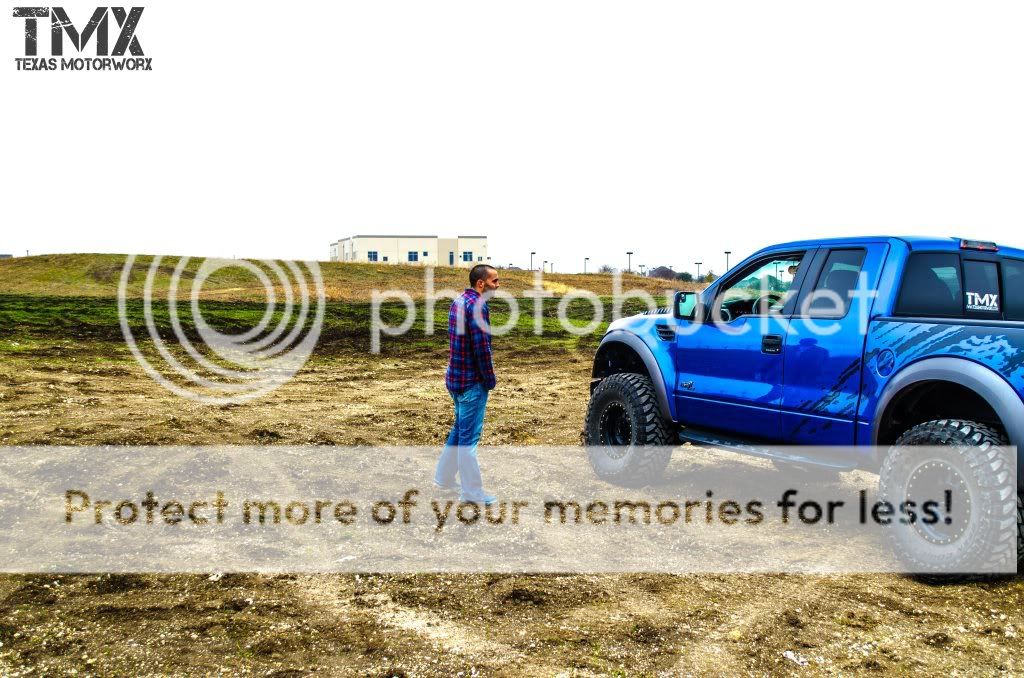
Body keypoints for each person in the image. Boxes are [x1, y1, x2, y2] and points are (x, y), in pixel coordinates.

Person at [434, 264, 500, 505]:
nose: (498, 285)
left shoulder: (458, 301)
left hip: (454, 379)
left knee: (459, 430)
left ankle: (443, 478)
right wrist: (489, 381)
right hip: (472, 383)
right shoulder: (478, 307)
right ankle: (472, 493)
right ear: (480, 283)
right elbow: (482, 350)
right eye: (494, 281)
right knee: (468, 440)